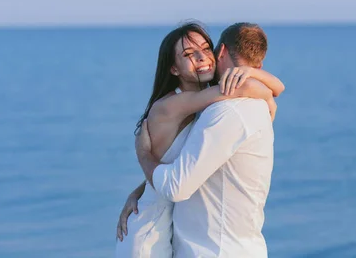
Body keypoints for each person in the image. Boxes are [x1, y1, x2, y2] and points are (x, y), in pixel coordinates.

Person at [115, 22, 284, 257]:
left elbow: (177, 164)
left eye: (206, 49)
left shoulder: (204, 104)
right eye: (188, 54)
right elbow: (265, 89)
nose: (201, 57)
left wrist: (137, 190)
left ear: (218, 52)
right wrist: (266, 94)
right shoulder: (172, 104)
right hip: (149, 229)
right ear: (174, 69)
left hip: (170, 229)